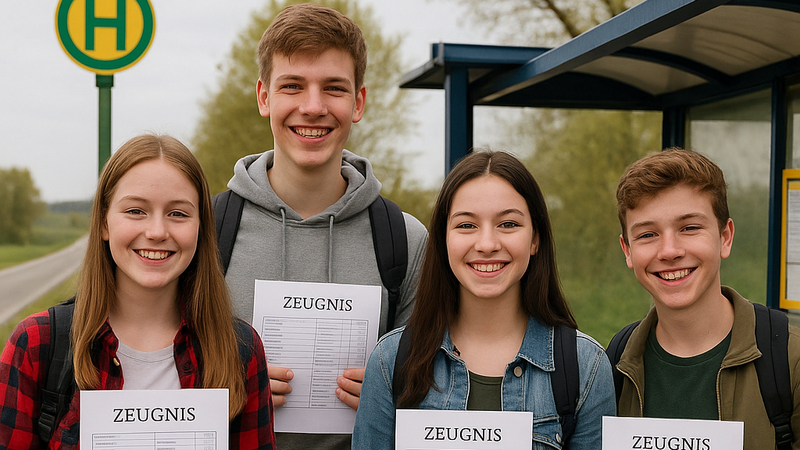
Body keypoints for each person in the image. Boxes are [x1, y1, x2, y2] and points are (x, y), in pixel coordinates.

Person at [219, 3, 427, 449]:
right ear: (263, 97)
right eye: (292, 86)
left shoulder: (407, 241)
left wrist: (393, 386)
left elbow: (429, 391)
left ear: (358, 103)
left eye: (333, 88)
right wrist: (223, 384)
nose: (313, 107)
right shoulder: (207, 231)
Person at [0, 134, 276, 449]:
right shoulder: (36, 345)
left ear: (201, 228)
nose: (157, 232)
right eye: (135, 211)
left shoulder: (241, 350)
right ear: (104, 223)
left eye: (178, 214)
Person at [353, 150, 616, 449]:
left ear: (535, 239)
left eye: (508, 224)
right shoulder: (389, 360)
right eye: (466, 225)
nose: (487, 244)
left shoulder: (586, 366)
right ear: (444, 239)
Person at [612, 148, 800, 448]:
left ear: (725, 237)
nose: (669, 251)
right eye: (648, 234)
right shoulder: (611, 367)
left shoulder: (790, 363)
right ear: (627, 250)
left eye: (689, 228)